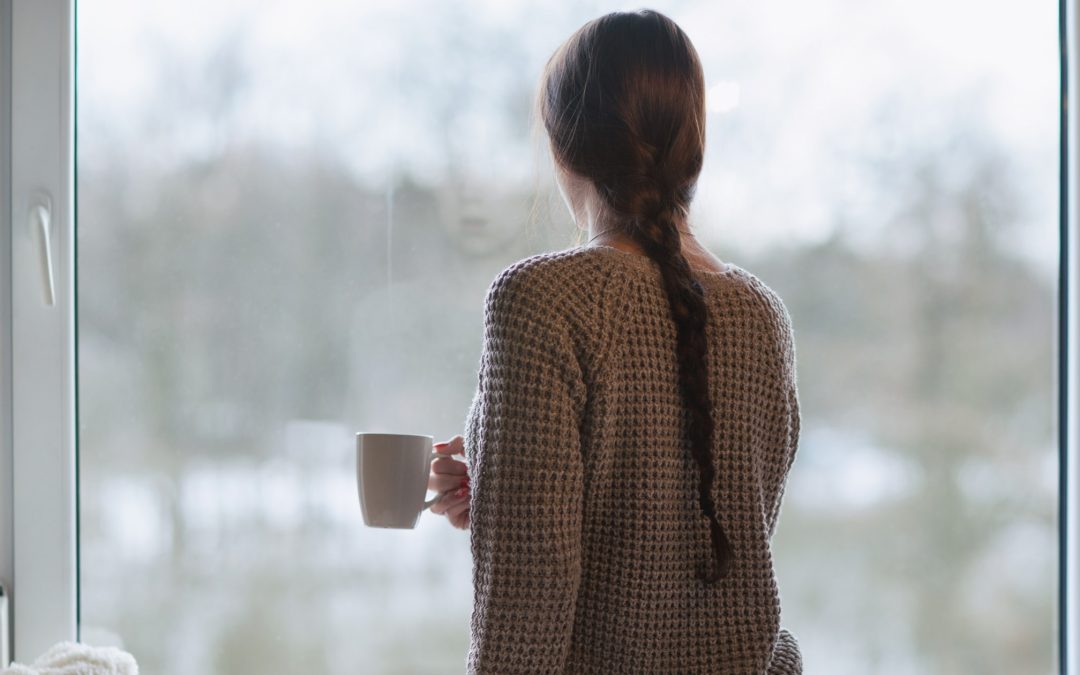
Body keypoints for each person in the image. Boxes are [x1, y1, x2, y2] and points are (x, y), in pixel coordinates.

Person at [426, 9, 802, 674]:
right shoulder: (762, 316)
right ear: (693, 146)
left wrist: (517, 510)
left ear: (565, 146)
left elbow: (524, 617)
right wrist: (499, 492)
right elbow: (698, 533)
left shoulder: (542, 300)